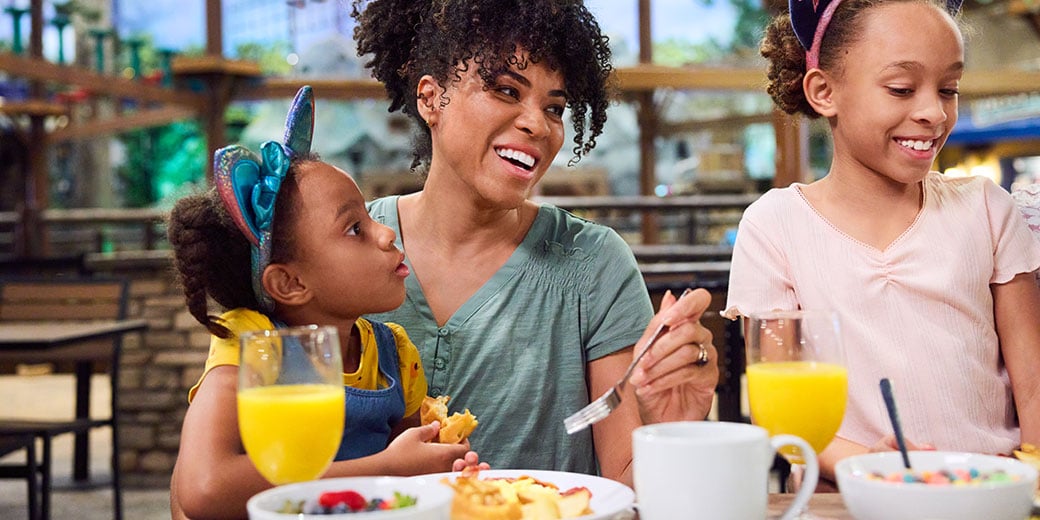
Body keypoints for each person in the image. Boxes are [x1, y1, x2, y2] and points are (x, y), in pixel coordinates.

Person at [350, 0, 721, 485]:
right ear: (431, 98)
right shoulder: (346, 249)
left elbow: (626, 484)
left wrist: (668, 426)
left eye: (554, 108)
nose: (538, 125)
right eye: (506, 90)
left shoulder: (595, 265)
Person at [724, 0, 1040, 487]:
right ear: (824, 91)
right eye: (901, 89)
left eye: (949, 89)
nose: (934, 112)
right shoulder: (775, 225)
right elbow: (780, 411)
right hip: (843, 500)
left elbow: (1034, 386)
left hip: (990, 495)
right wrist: (867, 463)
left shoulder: (986, 209)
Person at [166, 86, 480, 519]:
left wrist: (439, 468)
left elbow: (407, 484)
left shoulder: (395, 355)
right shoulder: (250, 343)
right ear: (291, 283)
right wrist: (385, 469)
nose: (387, 234)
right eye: (355, 228)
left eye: (370, 217)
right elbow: (203, 489)